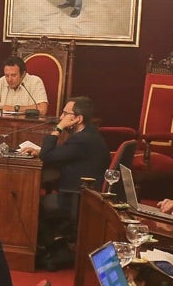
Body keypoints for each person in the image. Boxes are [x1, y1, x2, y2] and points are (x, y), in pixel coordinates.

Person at [22, 96, 108, 244]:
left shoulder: (81, 140)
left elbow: (47, 155)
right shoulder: (89, 133)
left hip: (77, 199)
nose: (61, 118)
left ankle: (52, 249)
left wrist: (58, 129)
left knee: (30, 205)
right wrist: (41, 151)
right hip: (83, 194)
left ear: (78, 119)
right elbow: (64, 153)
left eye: (65, 114)